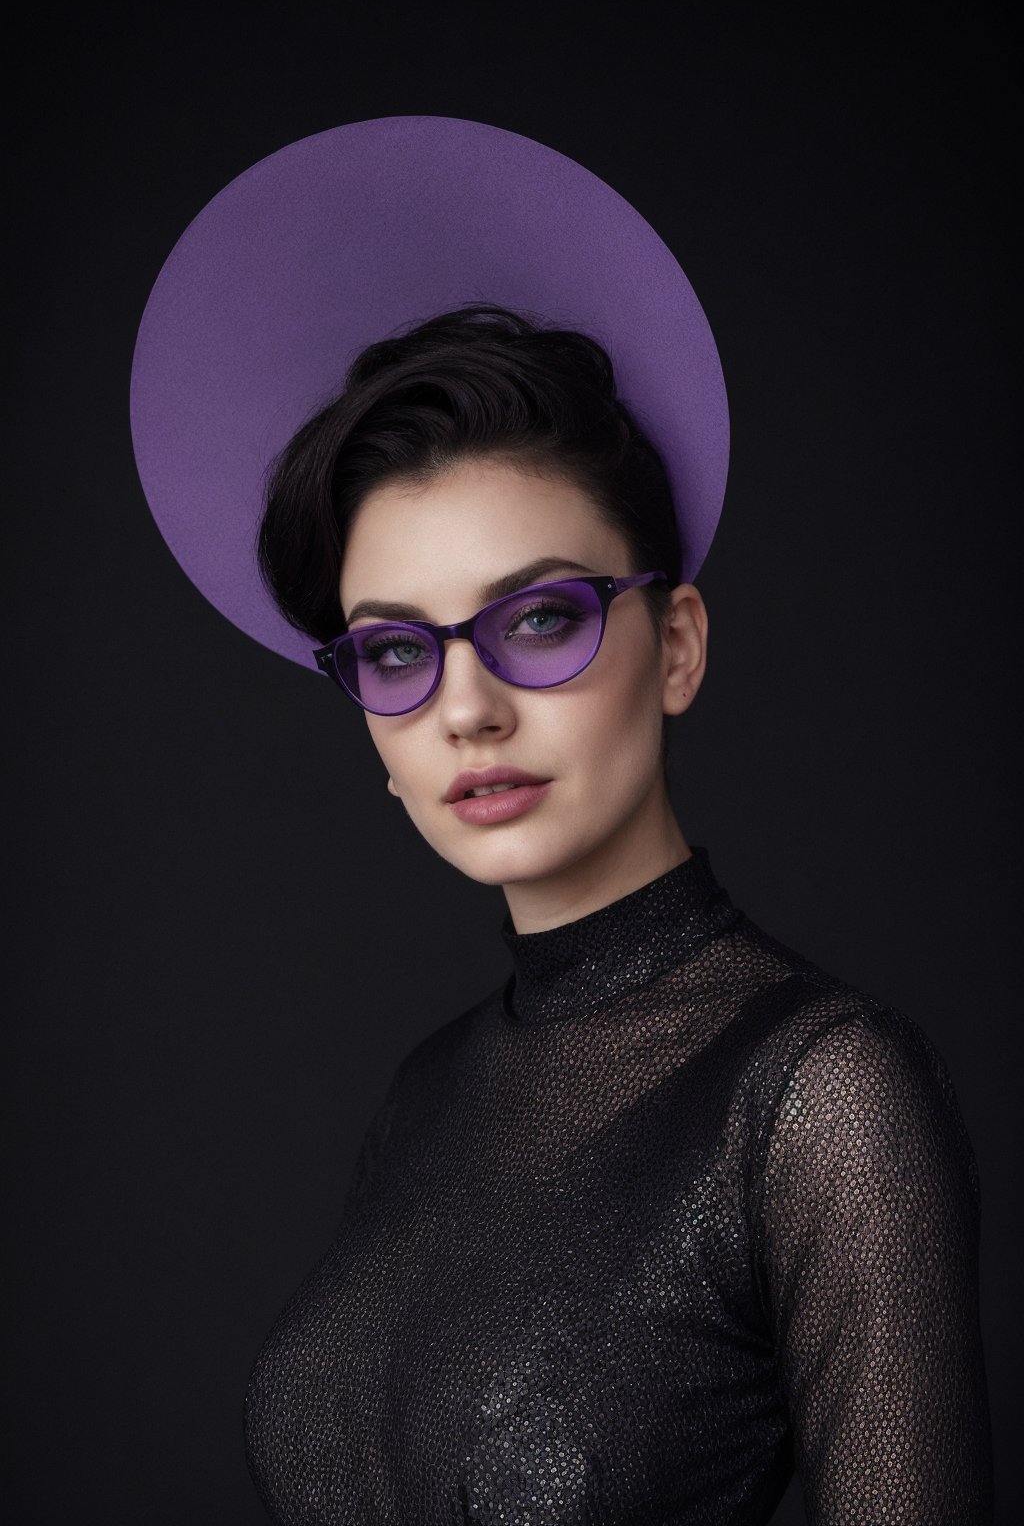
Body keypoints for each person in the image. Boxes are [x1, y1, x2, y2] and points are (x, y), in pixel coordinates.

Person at [239, 303, 994, 1525]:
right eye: (394, 652)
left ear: (677, 645)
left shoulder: (824, 1092)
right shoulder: (428, 1092)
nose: (466, 710)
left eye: (540, 620)